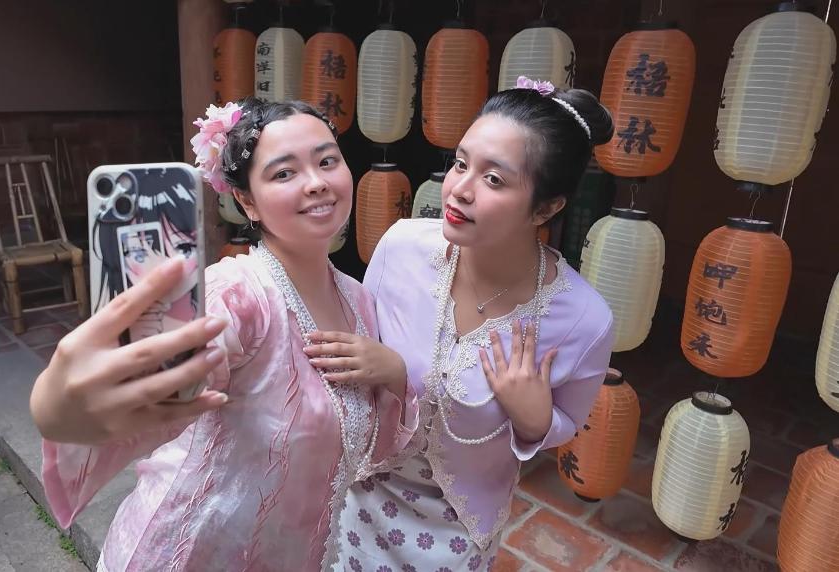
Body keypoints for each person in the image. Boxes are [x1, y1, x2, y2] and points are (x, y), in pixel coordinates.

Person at [30, 98, 418, 571]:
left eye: (326, 161)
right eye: (284, 173)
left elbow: (371, 456)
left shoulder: (359, 303)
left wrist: (394, 373)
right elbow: (161, 394)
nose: (316, 182)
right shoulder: (237, 295)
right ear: (247, 202)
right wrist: (60, 408)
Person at [305, 77, 617, 570]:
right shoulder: (402, 246)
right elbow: (359, 359)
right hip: (361, 492)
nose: (460, 190)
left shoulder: (584, 319)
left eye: (494, 180)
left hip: (459, 526)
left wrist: (535, 418)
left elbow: (565, 425)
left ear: (547, 207)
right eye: (460, 163)